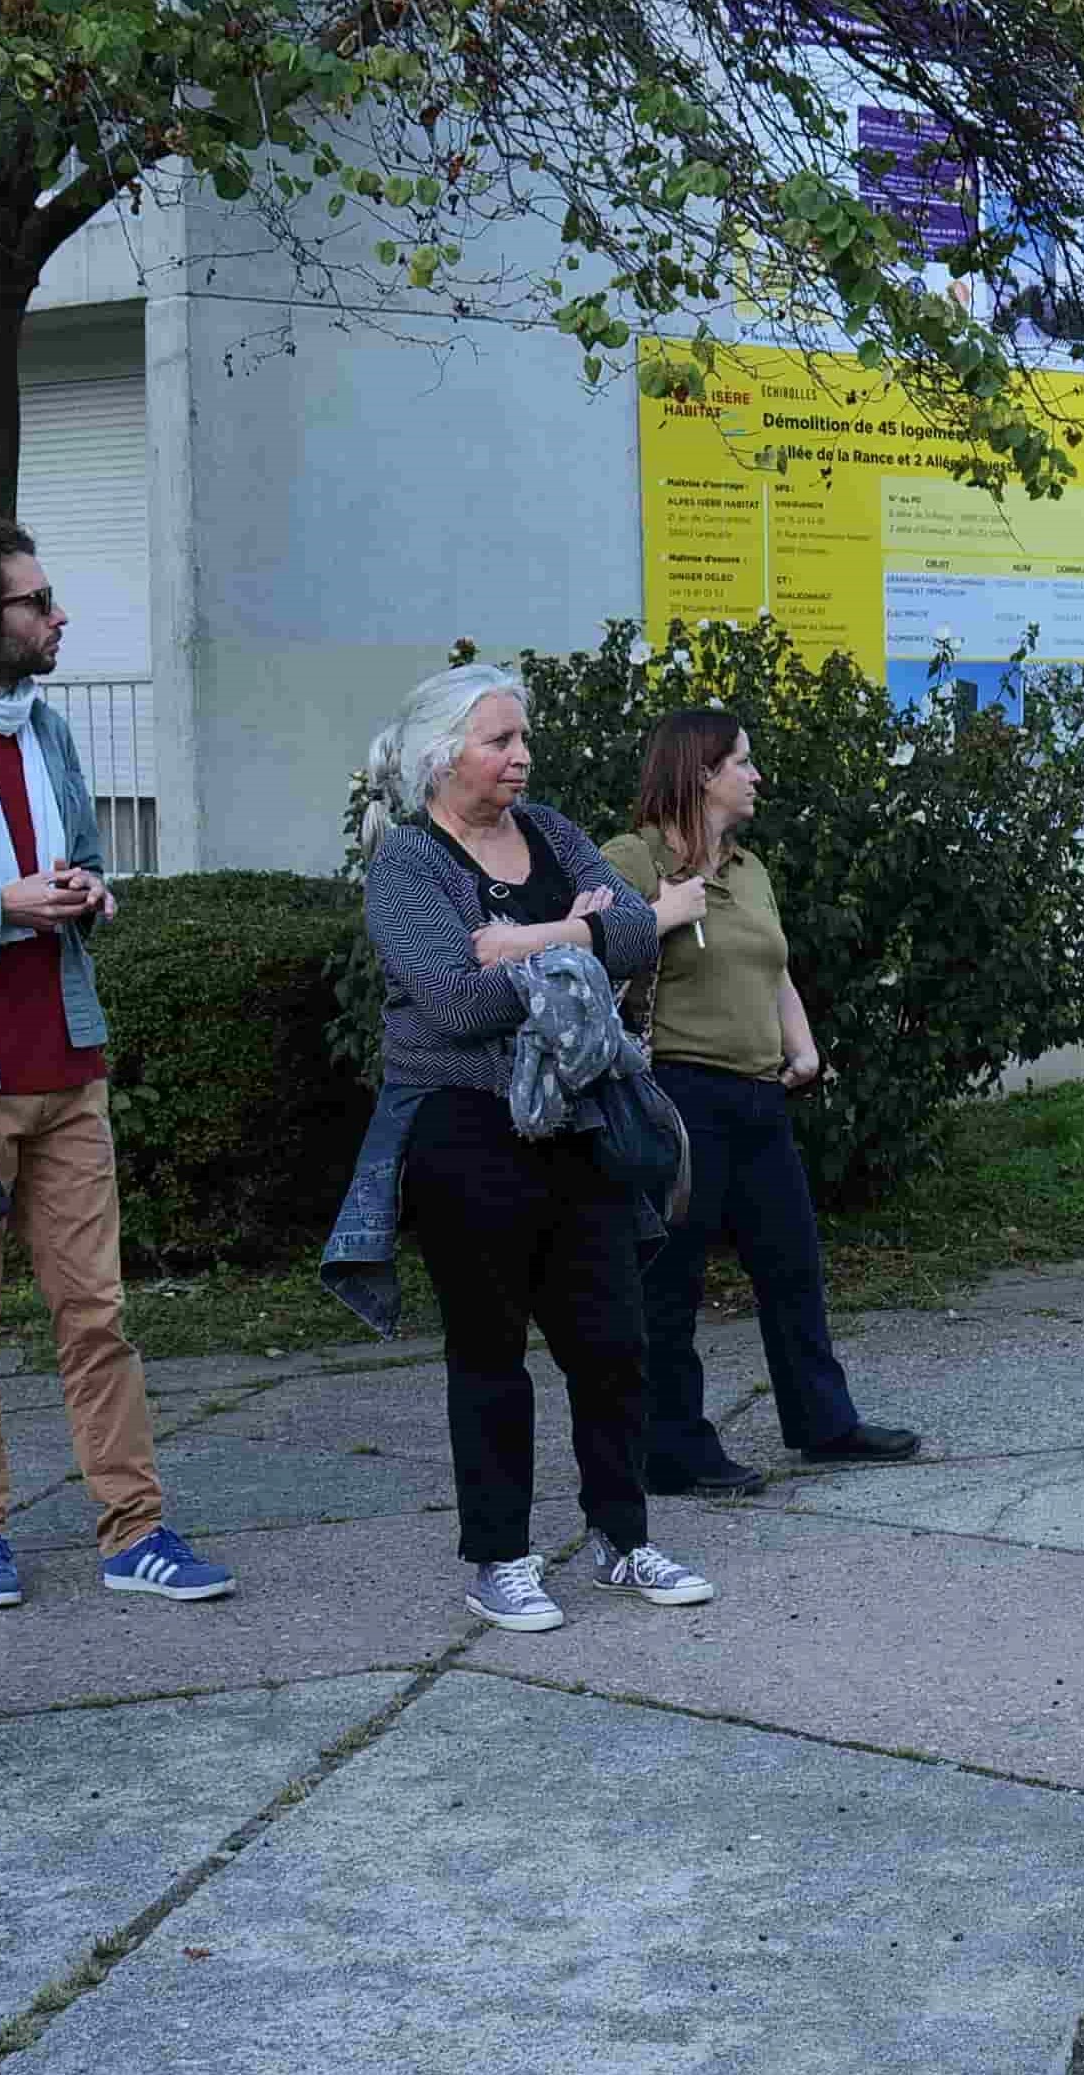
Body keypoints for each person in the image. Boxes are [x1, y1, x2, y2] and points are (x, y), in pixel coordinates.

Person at [0, 511, 232, 1609]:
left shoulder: (48, 731)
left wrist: (86, 888)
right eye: (37, 602)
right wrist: (1, 902)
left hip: (66, 1058)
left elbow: (78, 857)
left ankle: (134, 1528)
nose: (58, 614)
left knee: (99, 1313)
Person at [357, 665, 715, 1630]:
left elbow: (638, 934)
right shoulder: (407, 863)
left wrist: (519, 939)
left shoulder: (549, 830)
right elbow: (454, 999)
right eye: (498, 742)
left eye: (521, 740)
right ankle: (500, 1558)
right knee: (489, 1352)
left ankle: (622, 1537)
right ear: (443, 757)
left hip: (581, 1119)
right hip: (465, 1125)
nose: (519, 758)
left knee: (610, 1341)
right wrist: (580, 936)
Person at [596, 711, 918, 1495]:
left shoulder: (749, 868)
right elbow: (588, 955)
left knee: (792, 1264)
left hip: (757, 1094)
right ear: (700, 772)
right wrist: (657, 913)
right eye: (741, 762)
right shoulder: (632, 858)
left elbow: (772, 971)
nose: (755, 775)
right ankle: (672, 1446)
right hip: (678, 1094)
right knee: (671, 1283)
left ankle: (822, 1423)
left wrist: (802, 1047)